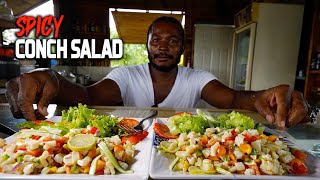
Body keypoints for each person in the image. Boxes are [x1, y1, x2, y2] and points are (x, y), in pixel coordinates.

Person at [6, 16, 310, 129]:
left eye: (172, 41)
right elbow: (87, 96)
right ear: (147, 45)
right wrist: (53, 78)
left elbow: (233, 98)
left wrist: (265, 97)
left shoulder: (197, 77)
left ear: (181, 49)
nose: (164, 47)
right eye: (157, 40)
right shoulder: (126, 75)